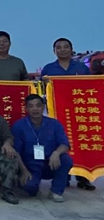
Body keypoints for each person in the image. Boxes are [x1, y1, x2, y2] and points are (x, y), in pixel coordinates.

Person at [40, 39, 95, 190]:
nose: (62, 50)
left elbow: (91, 87)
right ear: (54, 51)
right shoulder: (48, 69)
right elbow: (41, 90)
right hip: (56, 113)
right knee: (59, 143)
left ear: (71, 49)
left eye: (66, 47)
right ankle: (63, 176)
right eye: (59, 47)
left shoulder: (81, 68)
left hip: (78, 113)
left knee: (80, 143)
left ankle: (83, 177)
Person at [12, 95, 73, 202]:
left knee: (66, 159)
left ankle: (56, 191)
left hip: (50, 163)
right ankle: (31, 186)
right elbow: (16, 152)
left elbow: (65, 144)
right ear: (26, 108)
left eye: (38, 105)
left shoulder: (54, 124)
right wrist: (23, 171)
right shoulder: (19, 126)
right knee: (29, 188)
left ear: (43, 107)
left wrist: (56, 153)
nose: (35, 109)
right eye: (31, 106)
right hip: (30, 165)